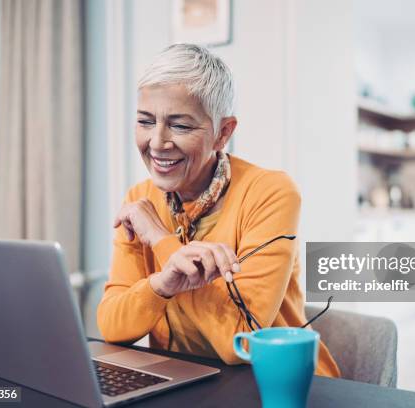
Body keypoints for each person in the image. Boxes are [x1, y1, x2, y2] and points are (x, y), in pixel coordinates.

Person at [97, 44, 340, 377]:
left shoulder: (272, 193)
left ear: (223, 133)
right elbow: (113, 325)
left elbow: (240, 342)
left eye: (180, 126)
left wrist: (162, 242)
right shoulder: (140, 199)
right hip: (187, 383)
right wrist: (162, 285)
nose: (156, 142)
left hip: (280, 384)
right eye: (145, 121)